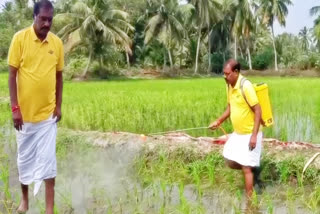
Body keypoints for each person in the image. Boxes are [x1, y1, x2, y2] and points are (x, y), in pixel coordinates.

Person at [7, 0, 64, 213]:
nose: (47, 23)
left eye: (50, 19)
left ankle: (49, 209)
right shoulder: (19, 39)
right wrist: (15, 109)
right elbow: (12, 76)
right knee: (24, 161)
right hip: (24, 117)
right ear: (34, 16)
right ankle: (25, 200)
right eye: (43, 19)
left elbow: (59, 77)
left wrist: (58, 106)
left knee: (49, 163)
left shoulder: (56, 44)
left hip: (47, 116)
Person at [209, 59, 262, 199]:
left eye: (227, 74)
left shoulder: (246, 86)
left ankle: (250, 201)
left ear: (236, 72)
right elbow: (230, 107)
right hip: (238, 134)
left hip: (250, 133)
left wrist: (254, 136)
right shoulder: (229, 86)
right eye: (224, 74)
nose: (225, 77)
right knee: (229, 159)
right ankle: (253, 169)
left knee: (245, 167)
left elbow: (258, 110)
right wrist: (218, 121)